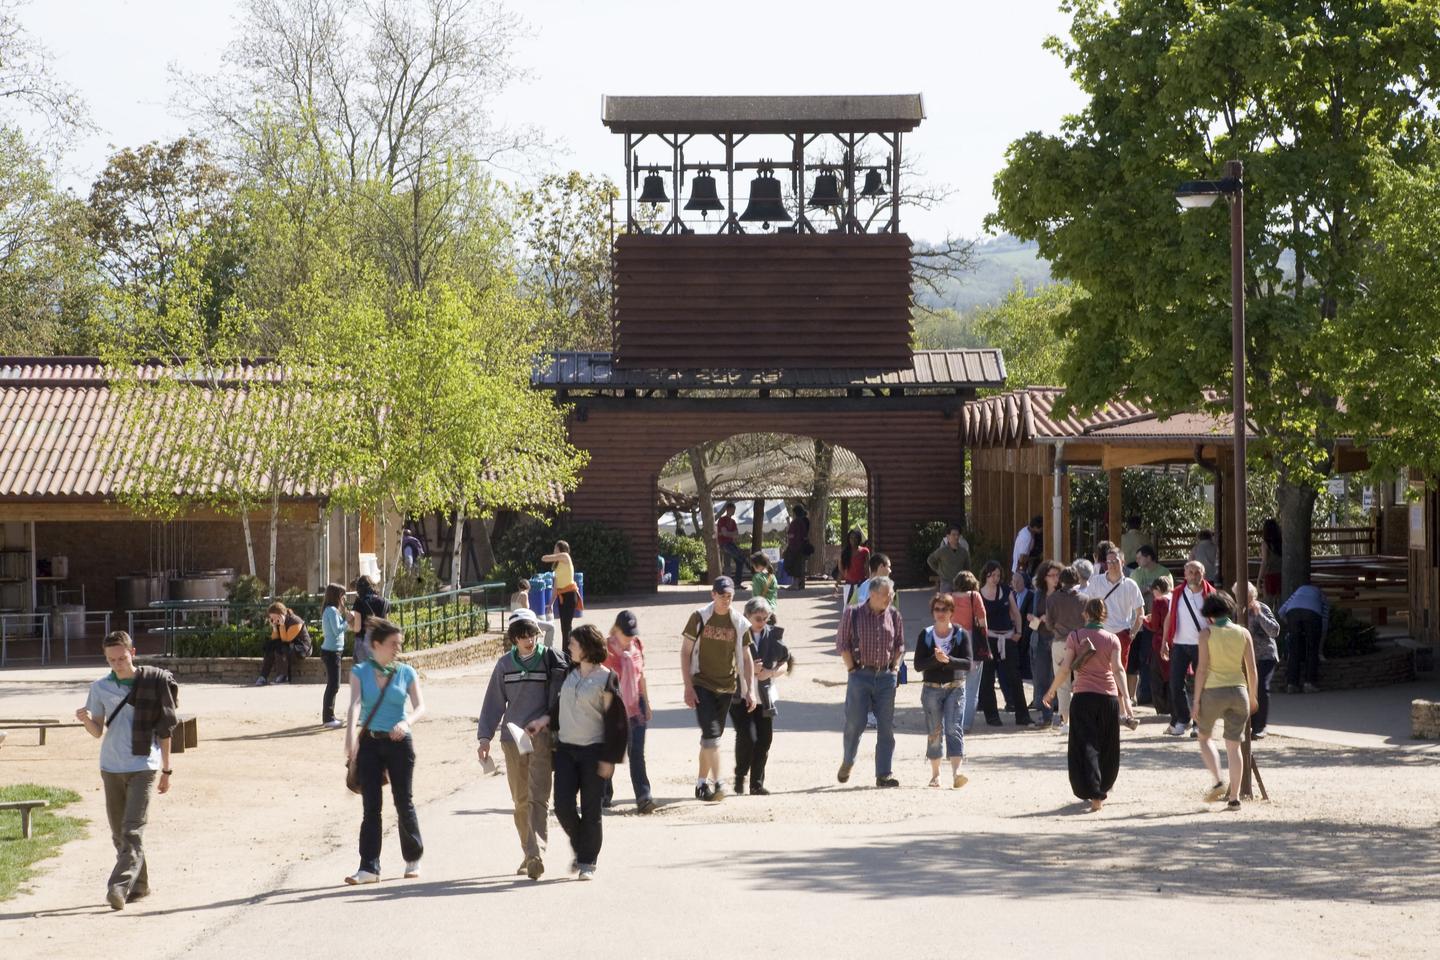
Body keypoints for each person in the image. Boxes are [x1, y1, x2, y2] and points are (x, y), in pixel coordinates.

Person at [75, 631, 177, 910]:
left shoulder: (152, 683)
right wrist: (85, 720)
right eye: (111, 660)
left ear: (133, 652)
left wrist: (167, 770)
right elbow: (97, 731)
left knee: (132, 830)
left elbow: (165, 730)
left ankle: (118, 887)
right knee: (119, 833)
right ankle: (140, 886)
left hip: (144, 764)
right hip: (110, 765)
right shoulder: (99, 688)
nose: (117, 664)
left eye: (121, 657)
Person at [477, 610, 569, 880]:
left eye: (531, 634)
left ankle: (535, 853)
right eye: (522, 636)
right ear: (513, 639)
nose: (528, 640)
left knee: (538, 797)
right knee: (520, 800)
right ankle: (527, 851)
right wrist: (484, 738)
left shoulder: (550, 661)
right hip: (511, 740)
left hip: (540, 739)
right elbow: (493, 703)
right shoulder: (504, 665)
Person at [343, 618, 425, 884]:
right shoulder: (359, 671)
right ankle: (369, 867)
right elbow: (355, 705)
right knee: (371, 807)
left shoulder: (406, 672)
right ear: (376, 645)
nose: (397, 649)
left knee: (403, 800)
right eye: (392, 644)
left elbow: (421, 706)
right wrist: (350, 737)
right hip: (370, 742)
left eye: (399, 644)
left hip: (400, 742)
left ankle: (412, 858)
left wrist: (406, 722)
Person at [552, 624, 629, 880]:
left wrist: (610, 758)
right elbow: (558, 708)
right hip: (565, 749)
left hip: (593, 752)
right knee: (562, 806)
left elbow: (616, 721)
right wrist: (543, 722)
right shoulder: (569, 673)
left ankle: (587, 862)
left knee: (591, 809)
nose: (569, 647)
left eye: (573, 643)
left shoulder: (606, 678)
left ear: (586, 647)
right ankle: (582, 845)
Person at [1042, 598, 1135, 811]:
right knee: (1107, 746)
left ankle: (1094, 793)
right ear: (1104, 615)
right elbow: (1118, 670)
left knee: (1086, 745)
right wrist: (1126, 700)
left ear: (1085, 614)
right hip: (1108, 698)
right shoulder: (1112, 639)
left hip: (1083, 696)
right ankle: (1101, 788)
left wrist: (1051, 691)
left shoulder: (1075, 637)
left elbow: (1066, 668)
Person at [680, 576, 755, 801]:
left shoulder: (739, 622)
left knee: (710, 738)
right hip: (702, 683)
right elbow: (685, 652)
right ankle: (719, 781)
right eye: (722, 595)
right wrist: (687, 686)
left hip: (727, 687)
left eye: (730, 596)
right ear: (713, 594)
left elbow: (747, 657)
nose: (726, 600)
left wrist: (750, 689)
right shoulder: (699, 617)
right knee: (712, 737)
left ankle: (701, 784)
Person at [1193, 592, 1260, 810]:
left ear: (1209, 614)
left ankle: (1218, 781)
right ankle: (1234, 797)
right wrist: (1253, 696)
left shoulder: (1206, 634)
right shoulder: (1243, 632)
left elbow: (1201, 670)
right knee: (1234, 747)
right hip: (1239, 691)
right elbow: (1251, 669)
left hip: (1213, 691)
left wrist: (1195, 700)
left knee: (1204, 738)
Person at [836, 575, 905, 787]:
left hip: (885, 677)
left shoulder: (894, 615)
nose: (889, 599)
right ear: (873, 594)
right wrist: (852, 669)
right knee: (855, 723)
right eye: (886, 595)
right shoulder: (853, 613)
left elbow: (900, 645)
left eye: (891, 595)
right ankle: (848, 760)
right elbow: (842, 643)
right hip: (860, 675)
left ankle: (883, 774)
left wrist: (894, 668)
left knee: (886, 728)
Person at [914, 592, 974, 789]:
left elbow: (968, 663)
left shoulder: (960, 634)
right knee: (934, 730)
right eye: (937, 609)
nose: (941, 613)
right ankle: (935, 774)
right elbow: (918, 665)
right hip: (931, 689)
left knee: (953, 728)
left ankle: (957, 773)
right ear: (933, 612)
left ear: (952, 612)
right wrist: (934, 660)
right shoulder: (926, 634)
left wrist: (948, 661)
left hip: (955, 688)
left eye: (945, 609)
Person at [732, 597, 790, 795]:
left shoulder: (773, 636)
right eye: (758, 618)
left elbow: (785, 663)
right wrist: (747, 668)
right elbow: (726, 663)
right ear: (747, 615)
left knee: (765, 739)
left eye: (766, 618)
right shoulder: (737, 634)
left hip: (765, 696)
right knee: (746, 737)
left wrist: (770, 673)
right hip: (740, 694)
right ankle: (740, 775)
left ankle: (756, 783)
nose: (762, 622)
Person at [603, 611, 655, 812]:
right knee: (610, 752)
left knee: (637, 753)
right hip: (613, 705)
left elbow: (642, 676)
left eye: (632, 633)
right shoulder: (605, 648)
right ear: (616, 629)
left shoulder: (637, 645)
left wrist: (647, 704)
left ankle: (644, 796)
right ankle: (604, 795)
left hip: (636, 705)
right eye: (627, 633)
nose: (630, 637)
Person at [977, 561, 1033, 727]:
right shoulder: (979, 593)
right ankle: (992, 715)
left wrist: (1019, 632)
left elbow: (1016, 613)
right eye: (992, 575)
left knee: (1014, 676)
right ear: (986, 575)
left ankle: (1022, 715)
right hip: (989, 638)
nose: (996, 578)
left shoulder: (1006, 591)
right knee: (987, 678)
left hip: (1007, 637)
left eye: (998, 575)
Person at [1164, 560, 1216, 736]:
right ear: (1185, 574)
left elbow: (1218, 620)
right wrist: (1165, 640)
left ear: (1203, 574)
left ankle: (1199, 723)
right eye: (1190, 572)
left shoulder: (1211, 595)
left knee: (1202, 685)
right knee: (1175, 683)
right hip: (1179, 643)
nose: (1193, 576)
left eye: (1197, 572)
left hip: (1202, 644)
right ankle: (1183, 719)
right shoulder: (1177, 593)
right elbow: (1169, 617)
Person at [1087, 547, 1146, 702]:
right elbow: (1086, 606)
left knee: (1119, 670)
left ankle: (1120, 707)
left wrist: (1132, 633)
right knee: (1098, 669)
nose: (1112, 565)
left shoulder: (1131, 584)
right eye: (1109, 562)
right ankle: (1101, 701)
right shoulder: (1096, 581)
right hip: (1099, 631)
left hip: (1121, 633)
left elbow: (1140, 613)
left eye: (1115, 561)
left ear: (1123, 562)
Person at [1043, 566, 1087, 733]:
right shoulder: (1085, 599)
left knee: (1062, 683)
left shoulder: (1052, 599)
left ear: (1061, 580)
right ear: (1077, 580)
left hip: (1060, 642)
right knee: (1082, 682)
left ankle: (1066, 721)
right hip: (1081, 642)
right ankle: (1082, 718)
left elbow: (1048, 623)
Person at [1236, 582, 1281, 738]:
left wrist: (1259, 614)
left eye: (1244, 594)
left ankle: (1260, 727)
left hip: (1265, 655)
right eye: (1238, 594)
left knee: (1261, 686)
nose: (1240, 597)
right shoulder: (1237, 611)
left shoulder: (1262, 607)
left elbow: (1274, 631)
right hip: (1247, 657)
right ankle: (1250, 725)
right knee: (1247, 689)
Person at [951, 571, 990, 733]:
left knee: (955, 686)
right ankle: (966, 724)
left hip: (953, 642)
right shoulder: (975, 596)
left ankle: (954, 721)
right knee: (972, 687)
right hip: (972, 642)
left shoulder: (949, 597)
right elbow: (982, 622)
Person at [1025, 561, 1063, 725]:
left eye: (1057, 575)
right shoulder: (1039, 594)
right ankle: (1046, 716)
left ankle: (1062, 715)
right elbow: (1034, 614)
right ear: (1044, 577)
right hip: (1040, 638)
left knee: (1060, 679)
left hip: (1058, 639)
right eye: (1051, 575)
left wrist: (1052, 619)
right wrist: (1034, 618)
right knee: (1041, 679)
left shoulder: (1063, 594)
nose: (1055, 578)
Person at [1279, 581, 1330, 694]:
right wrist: (1321, 645)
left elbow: (1281, 611)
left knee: (1294, 650)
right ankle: (1309, 683)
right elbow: (1324, 622)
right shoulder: (1322, 595)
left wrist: (1291, 626)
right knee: (1312, 649)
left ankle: (1291, 684)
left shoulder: (1297, 591)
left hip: (1293, 613)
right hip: (1313, 615)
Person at [256, 601, 311, 686]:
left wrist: (281, 625)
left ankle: (283, 676)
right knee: (270, 647)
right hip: (288, 645)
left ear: (281, 614)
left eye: (274, 618)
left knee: (282, 648)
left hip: (302, 648)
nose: (273, 620)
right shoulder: (277, 622)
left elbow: (286, 639)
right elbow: (275, 639)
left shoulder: (296, 621)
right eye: (271, 618)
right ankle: (263, 677)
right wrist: (274, 627)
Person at [319, 584, 349, 728]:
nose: (344, 598)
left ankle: (329, 716)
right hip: (331, 652)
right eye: (342, 595)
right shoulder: (331, 611)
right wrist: (347, 621)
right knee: (333, 685)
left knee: (333, 685)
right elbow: (337, 630)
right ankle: (328, 718)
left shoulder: (332, 610)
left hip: (333, 650)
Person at [542, 541, 583, 642]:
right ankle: (566, 652)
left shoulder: (565, 556)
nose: (554, 550)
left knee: (567, 626)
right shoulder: (557, 566)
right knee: (563, 627)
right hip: (562, 596)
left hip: (570, 594)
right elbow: (556, 587)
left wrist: (552, 556)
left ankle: (568, 653)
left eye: (555, 548)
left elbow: (544, 558)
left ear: (561, 549)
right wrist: (551, 603)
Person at [1146, 576, 1174, 716]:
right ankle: (1173, 706)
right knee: (1173, 676)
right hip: (1176, 642)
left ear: (1157, 589)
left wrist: (1144, 620)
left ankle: (1162, 709)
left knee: (1157, 677)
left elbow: (1154, 625)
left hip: (1160, 643)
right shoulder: (1175, 598)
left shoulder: (1159, 601)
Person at [349, 575, 389, 664]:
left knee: (364, 674)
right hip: (379, 642)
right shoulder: (384, 602)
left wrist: (350, 624)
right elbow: (386, 625)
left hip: (363, 642)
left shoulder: (359, 602)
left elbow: (358, 628)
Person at [716, 501, 750, 580]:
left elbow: (736, 534)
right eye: (732, 510)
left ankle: (737, 581)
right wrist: (731, 533)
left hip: (731, 543)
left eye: (734, 510)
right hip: (724, 544)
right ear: (728, 509)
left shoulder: (733, 522)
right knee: (729, 562)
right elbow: (725, 533)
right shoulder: (722, 520)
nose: (734, 511)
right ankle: (728, 580)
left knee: (740, 560)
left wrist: (728, 533)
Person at [839, 528, 871, 610]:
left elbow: (867, 567)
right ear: (848, 539)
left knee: (862, 608)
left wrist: (870, 581)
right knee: (848, 608)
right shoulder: (845, 552)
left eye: (855, 538)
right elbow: (841, 566)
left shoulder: (865, 551)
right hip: (849, 584)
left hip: (862, 584)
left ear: (859, 539)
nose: (853, 540)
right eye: (851, 538)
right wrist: (845, 576)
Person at [783, 504, 811, 590]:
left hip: (795, 547)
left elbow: (791, 535)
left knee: (792, 565)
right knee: (800, 566)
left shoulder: (795, 522)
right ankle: (800, 585)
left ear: (795, 513)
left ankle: (795, 584)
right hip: (803, 546)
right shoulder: (805, 521)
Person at [1259, 518, 1283, 607]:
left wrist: (1259, 579)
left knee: (1268, 603)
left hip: (1270, 575)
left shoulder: (1265, 544)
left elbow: (1264, 562)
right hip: (1280, 574)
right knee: (1280, 602)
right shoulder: (1281, 544)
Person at [749, 552, 779, 622]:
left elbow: (756, 597)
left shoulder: (757, 577)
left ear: (758, 565)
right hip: (772, 611)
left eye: (753, 564)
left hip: (761, 612)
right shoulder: (772, 576)